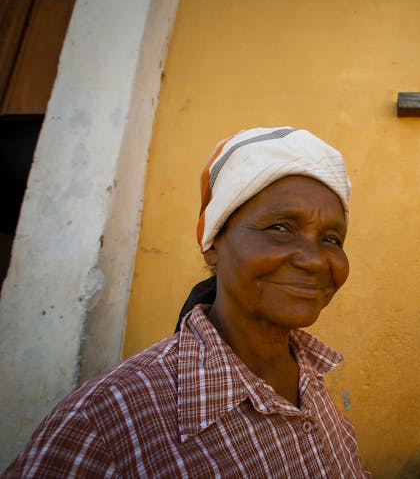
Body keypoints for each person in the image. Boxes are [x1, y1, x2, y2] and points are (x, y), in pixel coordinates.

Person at [3, 127, 371, 477]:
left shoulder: (311, 379)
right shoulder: (106, 420)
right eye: (279, 227)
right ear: (213, 245)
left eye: (332, 239)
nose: (314, 260)